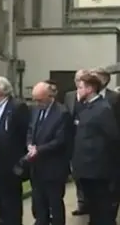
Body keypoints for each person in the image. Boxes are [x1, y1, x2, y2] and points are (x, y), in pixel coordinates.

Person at [71, 72, 120, 225]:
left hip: (98, 170)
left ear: (90, 89)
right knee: (93, 209)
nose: (77, 90)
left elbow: (113, 138)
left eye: (80, 87)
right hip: (85, 169)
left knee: (102, 211)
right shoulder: (86, 107)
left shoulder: (103, 109)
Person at [0, 76, 29, 225]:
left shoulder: (17, 107)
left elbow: (23, 133)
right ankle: (4, 219)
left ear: (0, 91)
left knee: (10, 197)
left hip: (8, 160)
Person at [27, 81, 71, 225]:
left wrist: (39, 150)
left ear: (49, 96)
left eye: (40, 99)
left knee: (54, 203)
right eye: (35, 99)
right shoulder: (35, 110)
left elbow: (60, 140)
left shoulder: (62, 113)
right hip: (37, 166)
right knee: (39, 203)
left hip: (53, 167)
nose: (37, 103)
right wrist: (29, 145)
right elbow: (30, 130)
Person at [63, 69, 87, 216]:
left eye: (82, 79)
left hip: (87, 140)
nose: (79, 81)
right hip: (72, 139)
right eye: (77, 79)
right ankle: (82, 203)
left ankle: (92, 202)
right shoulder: (69, 96)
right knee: (76, 173)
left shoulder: (92, 97)